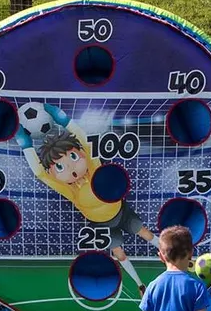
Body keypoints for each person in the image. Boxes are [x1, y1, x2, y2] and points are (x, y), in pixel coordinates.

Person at [16, 103, 158, 294]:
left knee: (146, 234)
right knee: (119, 254)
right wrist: (25, 144)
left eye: (73, 158)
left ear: (82, 154)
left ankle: (176, 259)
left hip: (121, 212)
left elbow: (84, 139)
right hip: (101, 225)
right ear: (53, 172)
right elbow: (40, 173)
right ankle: (141, 285)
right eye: (59, 167)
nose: (71, 168)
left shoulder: (93, 168)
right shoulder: (68, 189)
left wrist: (62, 118)